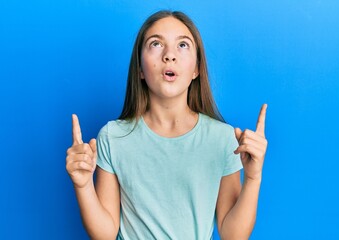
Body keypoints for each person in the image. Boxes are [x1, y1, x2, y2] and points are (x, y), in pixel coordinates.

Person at [66, 10, 268, 240]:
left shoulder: (223, 139)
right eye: (156, 44)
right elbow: (105, 234)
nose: (169, 55)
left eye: (183, 45)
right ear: (140, 69)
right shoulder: (113, 137)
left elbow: (233, 235)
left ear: (196, 69)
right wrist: (83, 186)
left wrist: (253, 178)